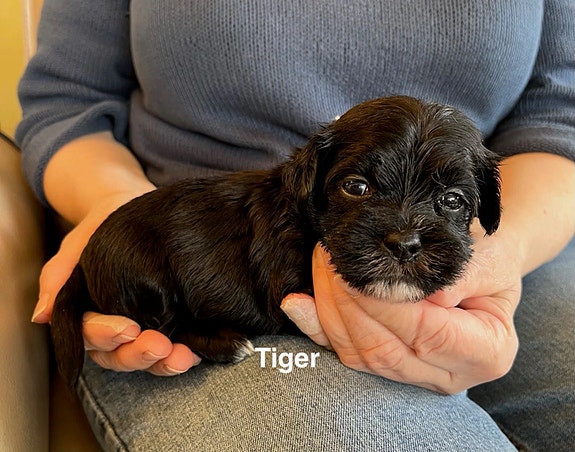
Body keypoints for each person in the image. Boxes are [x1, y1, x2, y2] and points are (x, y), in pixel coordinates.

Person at [16, 0, 574, 450]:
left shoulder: (486, 213)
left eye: (450, 198)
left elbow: (559, 117)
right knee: (353, 436)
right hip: (189, 223)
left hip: (526, 249)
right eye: (358, 188)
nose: (404, 232)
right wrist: (114, 202)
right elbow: (69, 101)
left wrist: (503, 252)